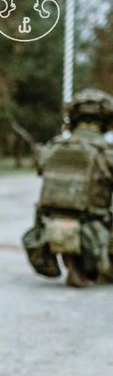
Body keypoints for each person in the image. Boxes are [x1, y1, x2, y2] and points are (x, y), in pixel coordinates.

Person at [23, 89, 113, 287]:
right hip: (93, 226)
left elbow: (40, 167)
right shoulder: (106, 152)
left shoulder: (54, 147)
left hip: (48, 228)